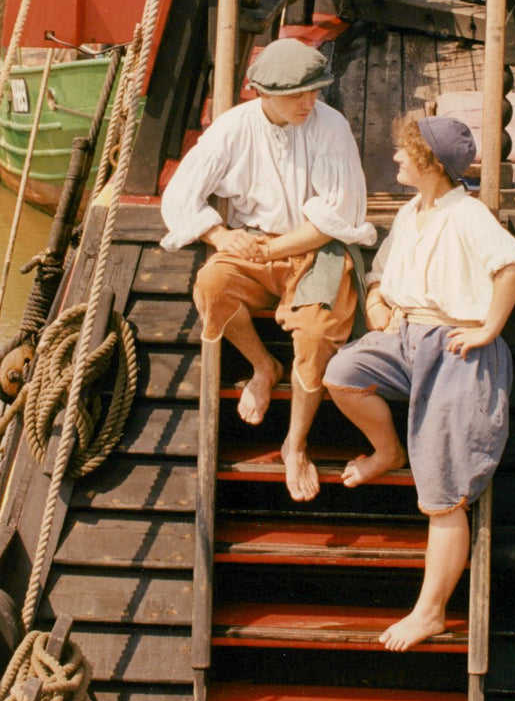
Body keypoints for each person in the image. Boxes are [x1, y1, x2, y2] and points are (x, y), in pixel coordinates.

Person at [323, 114, 515, 651]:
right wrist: (381, 302)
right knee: (342, 373)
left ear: (430, 163)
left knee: (442, 492)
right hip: (408, 338)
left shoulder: (468, 215)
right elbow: (389, 273)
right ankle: (388, 450)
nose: (395, 159)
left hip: (457, 350)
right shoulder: (414, 212)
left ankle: (429, 611)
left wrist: (488, 327)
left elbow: (511, 267)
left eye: (403, 153)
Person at [160, 37, 376, 501]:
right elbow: (180, 194)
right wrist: (219, 236)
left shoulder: (330, 127)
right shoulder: (231, 128)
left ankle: (294, 444)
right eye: (298, 94)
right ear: (262, 92)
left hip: (315, 245)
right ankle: (263, 366)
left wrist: (275, 251)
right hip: (255, 242)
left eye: (315, 91)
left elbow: (335, 216)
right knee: (211, 284)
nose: (309, 102)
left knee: (316, 332)